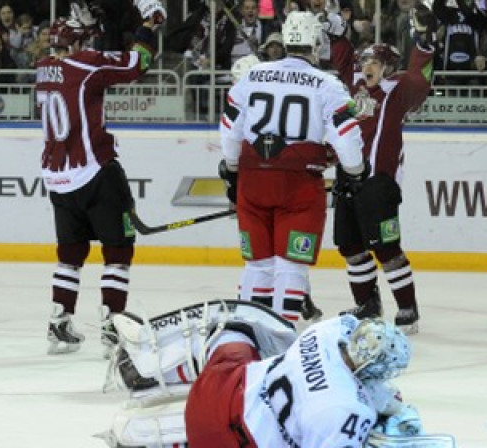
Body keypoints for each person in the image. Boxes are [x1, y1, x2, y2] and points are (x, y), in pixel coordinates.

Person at [103, 300, 430, 447]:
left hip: (220, 383)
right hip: (228, 439)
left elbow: (354, 335)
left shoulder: (326, 333)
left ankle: (150, 364)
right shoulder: (346, 410)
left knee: (236, 329)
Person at [218, 10, 367, 323]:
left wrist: (233, 169)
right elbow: (346, 135)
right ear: (314, 42)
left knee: (257, 265)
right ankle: (282, 335)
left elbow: (230, 130)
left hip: (253, 183)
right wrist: (356, 170)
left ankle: (247, 333)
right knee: (291, 265)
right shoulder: (327, 83)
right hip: (298, 186)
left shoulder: (252, 76)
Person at [38, 0, 166, 356]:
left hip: (58, 179)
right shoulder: (87, 65)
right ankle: (113, 325)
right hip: (95, 172)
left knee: (70, 255)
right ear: (78, 44)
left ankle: (59, 320)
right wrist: (147, 26)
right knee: (117, 252)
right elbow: (136, 64)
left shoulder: (44, 68)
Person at [332, 2, 437, 334]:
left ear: (388, 67)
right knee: (349, 246)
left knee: (386, 247)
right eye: (365, 62)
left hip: (379, 183)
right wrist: (337, 33)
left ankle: (408, 309)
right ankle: (367, 304)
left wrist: (424, 39)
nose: (366, 67)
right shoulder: (354, 90)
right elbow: (341, 63)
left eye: (373, 62)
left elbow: (421, 77)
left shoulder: (398, 89)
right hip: (347, 178)